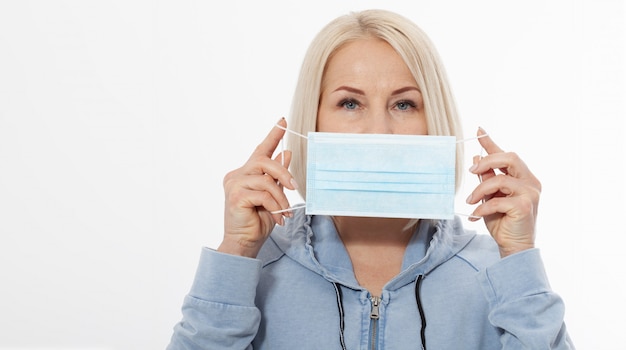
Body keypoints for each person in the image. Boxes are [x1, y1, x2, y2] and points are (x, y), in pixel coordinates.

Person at [167, 9, 574, 349]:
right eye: (349, 103)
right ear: (314, 122)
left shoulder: (492, 274)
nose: (378, 129)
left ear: (435, 122)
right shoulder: (257, 269)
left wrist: (519, 259)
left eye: (403, 103)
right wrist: (237, 252)